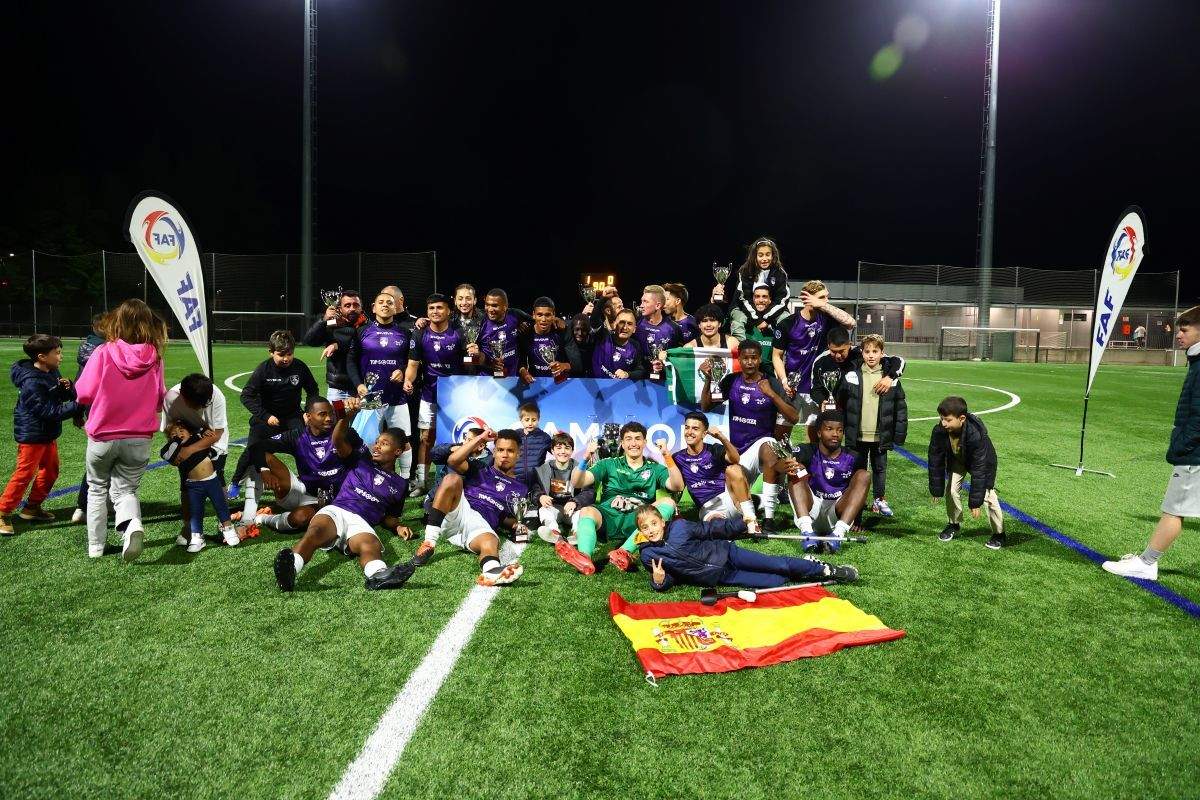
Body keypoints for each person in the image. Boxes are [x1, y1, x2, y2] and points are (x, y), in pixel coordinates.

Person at [272, 398, 416, 592]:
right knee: (314, 534)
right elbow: (337, 439)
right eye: (377, 442)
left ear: (397, 451)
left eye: (384, 444)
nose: (377, 446)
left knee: (370, 545)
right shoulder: (360, 460)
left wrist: (398, 525)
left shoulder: (400, 485)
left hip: (361, 521)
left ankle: (378, 576)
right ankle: (291, 569)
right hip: (337, 510)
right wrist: (348, 416)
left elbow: (389, 516)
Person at [1103, 308, 1200, 579]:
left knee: (1174, 510)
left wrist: (1181, 446)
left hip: (1195, 455)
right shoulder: (1196, 361)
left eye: (1185, 329)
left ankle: (1146, 563)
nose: (1178, 334)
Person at [74, 299, 167, 560]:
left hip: (103, 435)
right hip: (139, 437)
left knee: (96, 488)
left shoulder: (104, 352)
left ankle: (96, 547)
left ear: (118, 321)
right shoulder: (154, 357)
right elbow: (161, 397)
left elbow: (83, 392)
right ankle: (132, 524)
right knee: (126, 490)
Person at [556, 422, 685, 575]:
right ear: (622, 443)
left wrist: (667, 456)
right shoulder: (608, 464)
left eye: (638, 438)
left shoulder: (654, 468)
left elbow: (678, 486)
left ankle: (624, 552)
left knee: (668, 502)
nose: (633, 443)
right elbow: (578, 482)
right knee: (587, 511)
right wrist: (585, 458)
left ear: (645, 442)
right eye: (628, 439)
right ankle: (584, 557)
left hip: (638, 521)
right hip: (609, 517)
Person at [635, 506, 858, 592]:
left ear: (662, 522)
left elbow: (711, 529)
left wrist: (741, 523)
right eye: (645, 527)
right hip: (719, 576)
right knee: (775, 581)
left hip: (728, 554)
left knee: (777, 564)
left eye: (654, 523)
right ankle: (806, 567)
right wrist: (659, 581)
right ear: (641, 531)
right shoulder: (648, 555)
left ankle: (825, 569)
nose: (651, 529)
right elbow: (674, 576)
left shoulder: (681, 527)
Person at [410, 428, 526, 586]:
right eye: (500, 450)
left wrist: (515, 525)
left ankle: (492, 572)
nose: (504, 455)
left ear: (519, 454)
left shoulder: (521, 488)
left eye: (510, 451)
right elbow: (453, 461)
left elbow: (504, 516)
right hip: (458, 510)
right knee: (452, 479)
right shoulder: (480, 468)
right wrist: (480, 438)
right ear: (494, 452)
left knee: (491, 541)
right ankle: (429, 542)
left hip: (480, 525)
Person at [700, 339, 797, 527]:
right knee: (726, 510)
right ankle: (751, 517)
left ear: (760, 359)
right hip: (738, 454)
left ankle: (769, 517)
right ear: (740, 359)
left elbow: (793, 417)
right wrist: (709, 379)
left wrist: (772, 395)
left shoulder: (772, 383)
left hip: (762, 452)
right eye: (746, 358)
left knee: (769, 444)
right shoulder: (731, 380)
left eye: (754, 358)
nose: (750, 362)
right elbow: (705, 406)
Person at [231, 396, 348, 534]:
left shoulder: (343, 434)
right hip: (303, 492)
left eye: (331, 414)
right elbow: (257, 447)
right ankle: (248, 518)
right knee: (259, 458)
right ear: (308, 417)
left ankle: (263, 518)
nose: (329, 418)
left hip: (336, 499)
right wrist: (265, 470)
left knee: (300, 519)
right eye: (322, 414)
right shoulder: (297, 436)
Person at [0, 334, 79, 535]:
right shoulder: (31, 382)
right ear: (42, 357)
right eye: (58, 353)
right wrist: (78, 405)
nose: (61, 356)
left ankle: (31, 508)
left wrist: (67, 389)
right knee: (24, 473)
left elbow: (56, 397)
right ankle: (2, 512)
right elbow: (48, 412)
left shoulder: (51, 371)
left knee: (51, 471)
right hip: (32, 435)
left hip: (47, 434)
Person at [833, 334, 907, 518]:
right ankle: (856, 506)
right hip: (857, 435)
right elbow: (841, 401)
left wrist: (898, 435)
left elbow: (900, 408)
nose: (871, 355)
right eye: (867, 351)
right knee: (857, 471)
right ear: (862, 353)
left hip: (880, 435)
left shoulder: (891, 379)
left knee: (880, 469)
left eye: (875, 351)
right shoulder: (852, 375)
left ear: (883, 353)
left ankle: (879, 499)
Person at [771, 280, 856, 439]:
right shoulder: (787, 324)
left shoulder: (828, 320)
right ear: (807, 299)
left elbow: (851, 323)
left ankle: (814, 463)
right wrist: (784, 381)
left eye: (826, 297)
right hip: (792, 389)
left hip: (817, 389)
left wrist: (822, 304)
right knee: (781, 433)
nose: (826, 301)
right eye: (822, 297)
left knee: (815, 435)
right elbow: (776, 355)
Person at [405, 293, 467, 495]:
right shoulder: (420, 334)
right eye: (431, 309)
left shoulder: (459, 333)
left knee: (457, 435)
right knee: (426, 438)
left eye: (440, 308)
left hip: (455, 396)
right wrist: (408, 380)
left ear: (449, 311)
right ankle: (422, 481)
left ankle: (458, 477)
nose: (435, 312)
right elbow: (413, 364)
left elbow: (469, 363)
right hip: (429, 394)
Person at [786, 411, 871, 552]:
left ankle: (838, 535)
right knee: (796, 469)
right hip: (810, 510)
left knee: (864, 475)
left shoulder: (854, 457)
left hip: (836, 514)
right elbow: (781, 468)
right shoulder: (805, 451)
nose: (835, 434)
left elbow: (859, 491)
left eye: (839, 430)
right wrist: (788, 466)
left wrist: (858, 520)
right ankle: (807, 533)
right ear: (819, 433)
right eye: (829, 429)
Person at [347, 292, 414, 465]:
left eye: (389, 303)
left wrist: (402, 370)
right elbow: (351, 361)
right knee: (367, 438)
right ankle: (367, 472)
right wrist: (358, 384)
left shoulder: (405, 333)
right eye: (381, 302)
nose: (385, 305)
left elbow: (413, 361)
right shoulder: (362, 331)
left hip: (397, 396)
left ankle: (406, 478)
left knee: (403, 439)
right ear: (374, 307)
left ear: (395, 307)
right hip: (371, 396)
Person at [928, 396, 1004, 549]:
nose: (943, 423)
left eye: (948, 420)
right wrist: (936, 489)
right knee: (951, 490)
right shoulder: (939, 431)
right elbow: (935, 459)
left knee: (989, 496)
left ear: (961, 418)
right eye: (942, 418)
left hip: (983, 462)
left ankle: (999, 534)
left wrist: (975, 502)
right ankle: (953, 524)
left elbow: (979, 469)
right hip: (958, 459)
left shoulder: (976, 434)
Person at [161, 373, 230, 545]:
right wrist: (177, 438)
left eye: (204, 403)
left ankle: (225, 525)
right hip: (187, 441)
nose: (202, 407)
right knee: (186, 483)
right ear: (183, 396)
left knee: (217, 479)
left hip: (214, 443)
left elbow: (217, 433)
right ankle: (189, 527)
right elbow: (168, 427)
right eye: (197, 404)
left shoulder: (216, 395)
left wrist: (190, 449)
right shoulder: (171, 398)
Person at [671, 412, 758, 532]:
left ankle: (751, 520)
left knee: (734, 469)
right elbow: (677, 486)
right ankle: (750, 509)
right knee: (718, 527)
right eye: (687, 427)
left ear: (704, 433)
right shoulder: (677, 458)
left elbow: (735, 459)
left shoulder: (713, 449)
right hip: (708, 508)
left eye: (695, 429)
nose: (689, 432)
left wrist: (721, 437)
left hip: (729, 500)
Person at [161, 421, 240, 551]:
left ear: (189, 431)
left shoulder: (197, 438)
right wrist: (175, 441)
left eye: (181, 430)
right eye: (174, 434)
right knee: (195, 512)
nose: (179, 434)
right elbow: (167, 455)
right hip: (193, 486)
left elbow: (211, 443)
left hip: (212, 481)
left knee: (220, 505)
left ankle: (228, 529)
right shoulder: (173, 449)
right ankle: (197, 537)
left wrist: (203, 433)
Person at [240, 330, 320, 445]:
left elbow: (312, 390)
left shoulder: (300, 367)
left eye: (290, 354)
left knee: (307, 448)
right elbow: (246, 396)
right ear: (271, 352)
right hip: (267, 417)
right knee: (253, 453)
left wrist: (308, 412)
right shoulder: (263, 369)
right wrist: (266, 416)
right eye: (281, 355)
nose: (286, 359)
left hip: (293, 417)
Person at [809, 326, 905, 412]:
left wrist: (889, 377)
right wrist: (822, 401)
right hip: (833, 412)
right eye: (833, 351)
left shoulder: (861, 354)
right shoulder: (820, 361)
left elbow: (898, 360)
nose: (838, 355)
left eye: (842, 351)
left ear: (849, 344)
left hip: (857, 411)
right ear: (828, 346)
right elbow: (815, 389)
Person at [70, 315, 107, 523]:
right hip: (109, 413)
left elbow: (80, 385)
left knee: (98, 462)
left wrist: (78, 412)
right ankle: (88, 506)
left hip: (94, 412)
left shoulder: (88, 349)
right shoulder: (107, 351)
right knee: (105, 463)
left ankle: (83, 508)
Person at [717, 237, 790, 339]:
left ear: (773, 256)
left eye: (768, 254)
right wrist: (758, 320)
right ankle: (740, 351)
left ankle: (782, 353)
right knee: (739, 321)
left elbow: (782, 299)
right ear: (754, 256)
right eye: (760, 255)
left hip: (771, 308)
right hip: (743, 308)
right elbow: (744, 299)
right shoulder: (745, 272)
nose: (764, 258)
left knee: (785, 319)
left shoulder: (780, 273)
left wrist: (767, 318)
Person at [302, 289, 364, 402]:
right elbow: (309, 340)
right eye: (347, 305)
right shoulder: (331, 324)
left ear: (361, 307)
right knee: (336, 418)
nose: (352, 308)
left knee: (358, 420)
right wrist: (324, 320)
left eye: (356, 305)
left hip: (360, 388)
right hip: (337, 389)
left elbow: (359, 342)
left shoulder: (367, 325)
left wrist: (337, 345)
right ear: (340, 308)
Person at [533, 432, 595, 545]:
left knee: (582, 513)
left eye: (567, 448)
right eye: (558, 448)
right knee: (543, 510)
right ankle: (554, 532)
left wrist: (575, 502)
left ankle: (577, 533)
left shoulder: (580, 468)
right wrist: (540, 496)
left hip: (572, 510)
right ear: (552, 451)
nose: (563, 451)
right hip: (554, 507)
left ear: (572, 451)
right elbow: (536, 489)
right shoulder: (544, 469)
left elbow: (589, 493)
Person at [475, 288, 535, 378]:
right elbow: (472, 358)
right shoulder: (480, 323)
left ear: (505, 306)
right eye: (487, 305)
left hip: (512, 378)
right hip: (487, 379)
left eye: (495, 306)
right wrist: (490, 363)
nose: (490, 309)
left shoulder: (515, 315)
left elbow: (537, 321)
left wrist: (556, 320)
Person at [517, 297, 572, 383]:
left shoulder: (561, 332)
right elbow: (521, 361)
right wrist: (524, 372)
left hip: (559, 383)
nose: (543, 320)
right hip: (536, 383)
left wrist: (563, 366)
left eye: (547, 315)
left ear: (553, 315)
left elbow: (574, 363)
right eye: (539, 315)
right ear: (534, 315)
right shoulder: (526, 334)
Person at [634, 285, 684, 377]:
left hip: (665, 381)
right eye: (642, 301)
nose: (641, 305)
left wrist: (665, 362)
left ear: (657, 305)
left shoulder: (674, 328)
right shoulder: (635, 324)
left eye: (645, 302)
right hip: (639, 381)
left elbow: (679, 358)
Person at [587, 306, 648, 380]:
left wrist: (627, 374)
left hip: (618, 389)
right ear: (615, 324)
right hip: (595, 387)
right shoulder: (603, 336)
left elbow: (640, 370)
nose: (625, 327)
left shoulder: (635, 345)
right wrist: (603, 299)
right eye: (622, 322)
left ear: (634, 329)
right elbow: (595, 321)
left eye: (629, 324)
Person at [512, 401, 552, 489]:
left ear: (538, 420)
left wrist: (559, 439)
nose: (530, 423)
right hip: (516, 480)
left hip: (537, 482)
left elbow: (556, 451)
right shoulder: (514, 435)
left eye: (534, 420)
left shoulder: (544, 437)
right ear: (521, 420)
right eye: (527, 420)